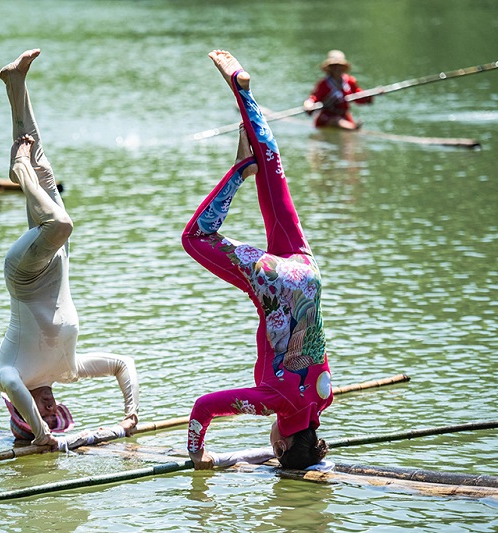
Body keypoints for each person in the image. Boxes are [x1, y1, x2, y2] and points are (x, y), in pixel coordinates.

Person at [182, 50, 333, 470]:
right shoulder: (275, 406)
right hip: (278, 284)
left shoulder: (323, 397)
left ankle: (242, 92)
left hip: (307, 274)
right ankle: (238, 170)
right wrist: (198, 453)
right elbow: (203, 407)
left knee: (275, 181)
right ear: (281, 447)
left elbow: (306, 390)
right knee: (196, 237)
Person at [0, 49, 139, 449]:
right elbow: (123, 364)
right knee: (44, 168)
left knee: (58, 221)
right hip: (57, 258)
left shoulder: (11, 375)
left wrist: (42, 434)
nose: (51, 407)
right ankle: (15, 83)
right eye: (57, 414)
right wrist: (131, 412)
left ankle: (17, 172)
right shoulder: (68, 370)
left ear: (24, 414)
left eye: (45, 414)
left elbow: (13, 392)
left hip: (23, 275)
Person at [303, 50, 373, 130]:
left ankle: (351, 127)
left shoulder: (349, 81)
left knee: (347, 127)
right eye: (334, 66)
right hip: (327, 117)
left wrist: (370, 95)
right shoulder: (323, 84)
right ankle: (352, 128)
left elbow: (359, 97)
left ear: (343, 67)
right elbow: (313, 98)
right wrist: (308, 105)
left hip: (344, 116)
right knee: (336, 121)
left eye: (339, 66)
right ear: (329, 68)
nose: (337, 69)